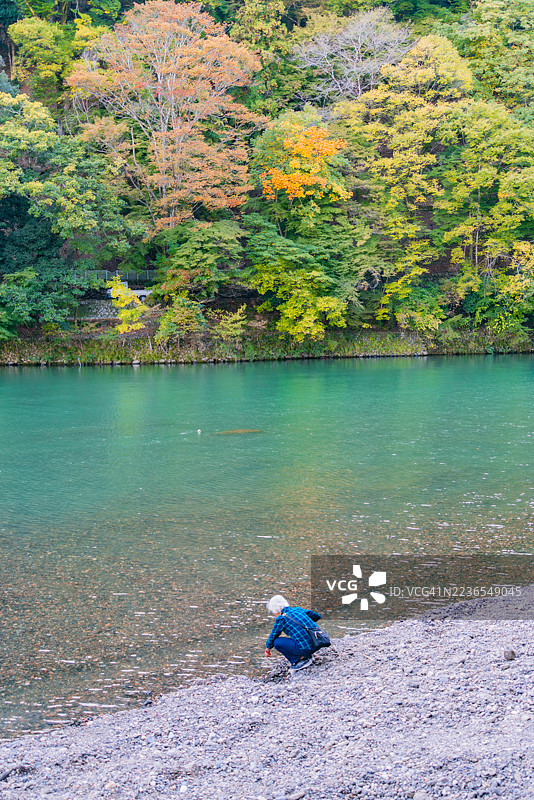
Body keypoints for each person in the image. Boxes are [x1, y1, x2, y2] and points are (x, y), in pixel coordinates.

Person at [264, 594, 323, 672]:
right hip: (318, 642)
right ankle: (308, 655)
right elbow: (317, 616)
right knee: (298, 637)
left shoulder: (281, 618)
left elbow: (273, 636)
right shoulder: (298, 609)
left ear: (276, 610)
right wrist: (305, 623)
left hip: (306, 648)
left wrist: (267, 650)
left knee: (277, 642)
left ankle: (299, 661)